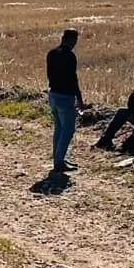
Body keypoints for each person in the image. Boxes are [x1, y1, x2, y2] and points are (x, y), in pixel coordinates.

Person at [44, 28, 89, 173]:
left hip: (53, 94)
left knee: (58, 129)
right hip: (65, 96)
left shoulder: (51, 53)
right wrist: (79, 98)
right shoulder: (70, 56)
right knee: (68, 130)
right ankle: (59, 161)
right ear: (73, 40)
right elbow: (72, 78)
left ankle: (59, 158)